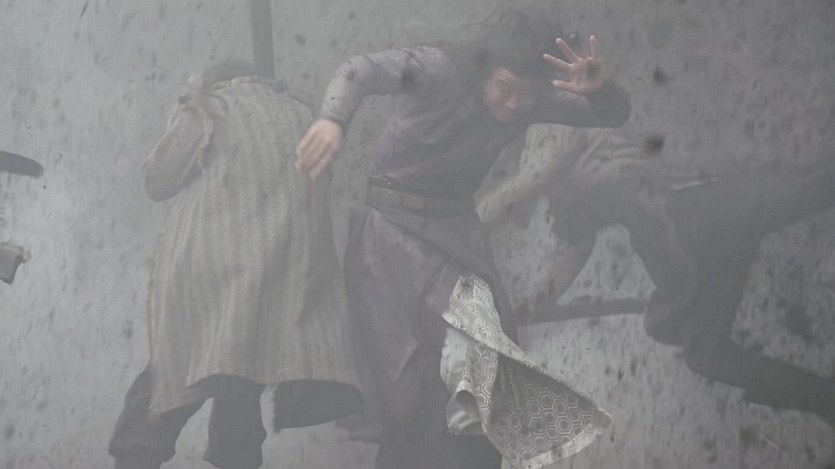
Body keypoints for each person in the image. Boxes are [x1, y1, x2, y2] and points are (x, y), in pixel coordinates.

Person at [295, 7, 631, 469]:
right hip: (390, 235)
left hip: (456, 238)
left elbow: (612, 114)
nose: (512, 105)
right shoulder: (441, 70)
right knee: (407, 388)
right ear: (486, 68)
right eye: (505, 88)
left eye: (526, 95)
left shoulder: (529, 100)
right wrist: (333, 119)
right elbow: (359, 70)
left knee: (482, 365)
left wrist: (602, 89)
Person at [478, 125, 835, 430]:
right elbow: (572, 247)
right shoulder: (561, 194)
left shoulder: (549, 130)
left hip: (705, 203)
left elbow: (530, 179)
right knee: (705, 353)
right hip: (687, 252)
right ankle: (824, 398)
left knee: (812, 189)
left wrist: (467, 230)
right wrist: (532, 303)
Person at [108, 60, 363, 469]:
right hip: (270, 286)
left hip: (211, 281)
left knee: (168, 382)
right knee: (239, 384)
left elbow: (157, 181)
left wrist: (186, 109)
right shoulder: (302, 115)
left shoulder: (210, 106)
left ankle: (135, 460)